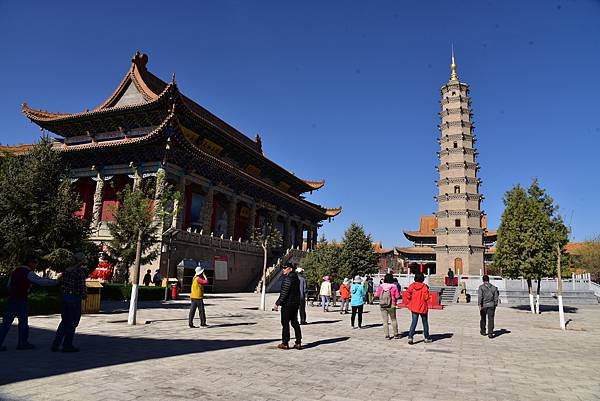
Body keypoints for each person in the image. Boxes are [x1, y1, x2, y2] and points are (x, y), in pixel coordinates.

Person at [0, 255, 58, 351]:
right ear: (30, 263)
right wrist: (55, 282)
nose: (36, 266)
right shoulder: (28, 273)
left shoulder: (15, 271)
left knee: (5, 324)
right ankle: (22, 343)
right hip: (21, 300)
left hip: (12, 300)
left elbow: (8, 286)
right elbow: (41, 281)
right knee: (23, 323)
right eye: (35, 263)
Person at [52, 252, 88, 353]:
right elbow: (81, 288)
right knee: (72, 322)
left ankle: (56, 344)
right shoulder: (79, 272)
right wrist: (84, 295)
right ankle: (67, 345)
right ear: (81, 261)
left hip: (65, 297)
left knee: (64, 321)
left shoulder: (66, 270)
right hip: (74, 298)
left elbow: (60, 281)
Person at [274, 263, 302, 350]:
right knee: (295, 322)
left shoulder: (288, 279)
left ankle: (285, 343)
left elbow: (284, 293)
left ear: (290, 269)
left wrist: (277, 303)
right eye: (283, 268)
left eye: (285, 268)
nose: (283, 269)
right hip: (295, 304)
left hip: (287, 305)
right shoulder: (296, 278)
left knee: (285, 323)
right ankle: (298, 342)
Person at [405, 272, 432, 344]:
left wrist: (410, 299)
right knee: (425, 322)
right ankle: (426, 337)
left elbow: (407, 294)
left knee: (414, 322)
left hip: (414, 306)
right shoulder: (424, 287)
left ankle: (410, 337)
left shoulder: (412, 286)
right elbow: (426, 297)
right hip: (422, 306)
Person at [375, 273, 401, 339]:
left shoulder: (381, 286)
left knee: (385, 321)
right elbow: (397, 296)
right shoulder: (394, 286)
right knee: (393, 320)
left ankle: (387, 335)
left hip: (383, 304)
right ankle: (395, 334)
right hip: (392, 304)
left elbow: (377, 295)